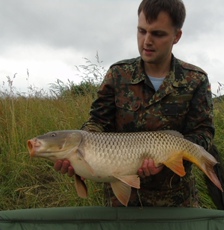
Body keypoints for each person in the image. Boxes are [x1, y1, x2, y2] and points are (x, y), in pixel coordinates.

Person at [54, 0, 214, 207]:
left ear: (177, 36)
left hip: (176, 199)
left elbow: (203, 134)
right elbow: (97, 123)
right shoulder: (118, 74)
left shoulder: (195, 80)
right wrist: (80, 156)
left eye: (158, 34)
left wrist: (165, 160)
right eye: (141, 31)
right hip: (122, 198)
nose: (147, 41)